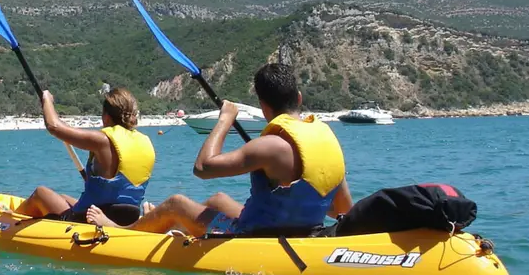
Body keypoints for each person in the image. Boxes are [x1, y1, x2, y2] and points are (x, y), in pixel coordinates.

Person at [87, 63, 353, 237]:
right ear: (298, 98)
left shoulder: (270, 146)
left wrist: (225, 119)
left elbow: (203, 167)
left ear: (262, 105)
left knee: (175, 203)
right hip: (307, 228)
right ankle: (186, 232)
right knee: (218, 199)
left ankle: (125, 231)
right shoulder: (325, 138)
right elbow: (341, 208)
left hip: (258, 235)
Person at [14, 87, 156, 224]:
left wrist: (46, 99)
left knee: (41, 193)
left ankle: (10, 220)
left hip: (90, 219)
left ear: (106, 117)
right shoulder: (145, 142)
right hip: (127, 218)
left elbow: (54, 126)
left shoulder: (103, 140)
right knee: (62, 198)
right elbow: (117, 185)